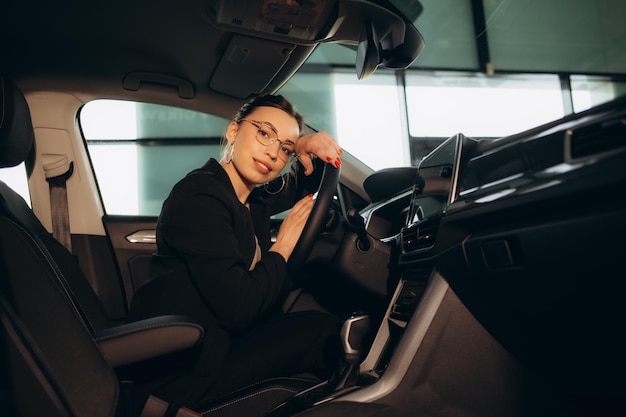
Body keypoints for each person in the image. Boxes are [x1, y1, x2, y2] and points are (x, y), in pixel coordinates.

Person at [127, 94, 344, 410]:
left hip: (221, 342)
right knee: (323, 332)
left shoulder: (250, 198)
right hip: (188, 367)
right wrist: (283, 245)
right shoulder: (201, 196)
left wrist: (302, 144)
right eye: (264, 133)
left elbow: (307, 181)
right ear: (233, 132)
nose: (272, 152)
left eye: (283, 148)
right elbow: (240, 308)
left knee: (317, 323)